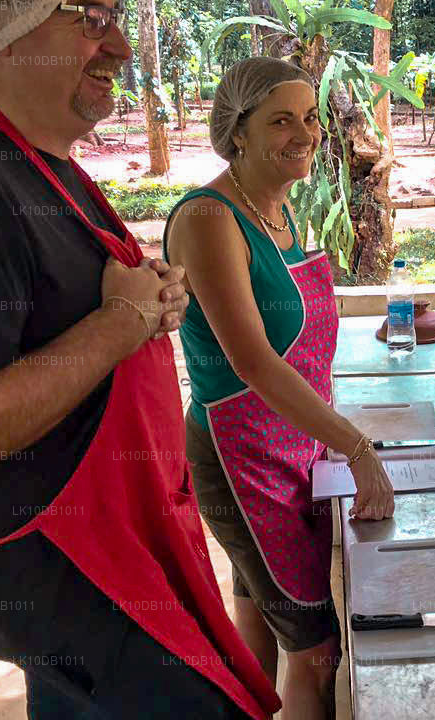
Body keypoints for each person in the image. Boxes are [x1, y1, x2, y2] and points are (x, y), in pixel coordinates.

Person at [0, 1, 280, 718]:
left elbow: (69, 317)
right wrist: (124, 321)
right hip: (63, 561)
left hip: (109, 542)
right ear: (4, 28)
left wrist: (150, 302)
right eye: (89, 16)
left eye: (116, 16)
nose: (119, 45)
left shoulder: (45, 167)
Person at [163, 57, 396, 720]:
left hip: (296, 451)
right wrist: (356, 448)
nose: (306, 134)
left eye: (311, 118)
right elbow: (255, 364)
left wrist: (331, 439)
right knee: (316, 651)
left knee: (261, 622)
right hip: (241, 460)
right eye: (281, 121)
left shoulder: (281, 211)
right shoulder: (208, 218)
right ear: (237, 131)